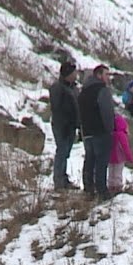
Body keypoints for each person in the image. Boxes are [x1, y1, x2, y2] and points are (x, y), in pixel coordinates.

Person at [77, 65, 116, 200]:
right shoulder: (102, 90)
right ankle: (102, 191)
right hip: (101, 131)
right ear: (99, 75)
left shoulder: (83, 91)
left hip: (87, 131)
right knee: (101, 162)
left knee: (89, 160)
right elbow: (107, 112)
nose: (108, 78)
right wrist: (110, 129)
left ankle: (88, 188)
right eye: (106, 74)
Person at [48, 61, 80, 190]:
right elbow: (57, 108)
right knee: (61, 151)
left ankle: (63, 177)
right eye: (74, 72)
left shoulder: (73, 87)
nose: (76, 74)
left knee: (66, 152)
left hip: (71, 125)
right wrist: (65, 122)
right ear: (67, 73)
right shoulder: (58, 87)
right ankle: (58, 181)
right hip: (61, 125)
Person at [107, 113, 133, 194]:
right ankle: (118, 188)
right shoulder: (121, 135)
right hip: (119, 158)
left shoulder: (110, 134)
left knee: (111, 172)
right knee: (118, 173)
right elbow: (125, 147)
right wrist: (130, 158)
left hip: (110, 158)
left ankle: (110, 186)